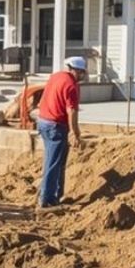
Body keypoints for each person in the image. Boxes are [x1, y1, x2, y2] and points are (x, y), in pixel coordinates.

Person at [36, 56, 87, 208]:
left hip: (43, 122)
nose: (82, 76)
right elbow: (72, 111)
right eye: (81, 73)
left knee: (55, 161)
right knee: (53, 163)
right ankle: (47, 199)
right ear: (75, 70)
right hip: (55, 127)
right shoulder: (71, 86)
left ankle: (56, 195)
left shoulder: (56, 76)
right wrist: (75, 133)